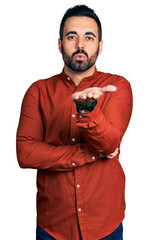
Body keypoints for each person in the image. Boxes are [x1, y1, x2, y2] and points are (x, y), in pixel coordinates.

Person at [16, 5, 133, 240]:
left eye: (89, 37)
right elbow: (25, 153)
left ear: (100, 46)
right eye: (72, 36)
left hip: (105, 224)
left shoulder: (117, 86)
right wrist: (86, 155)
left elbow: (109, 145)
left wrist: (88, 110)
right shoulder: (38, 91)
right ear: (60, 44)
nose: (80, 45)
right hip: (53, 227)